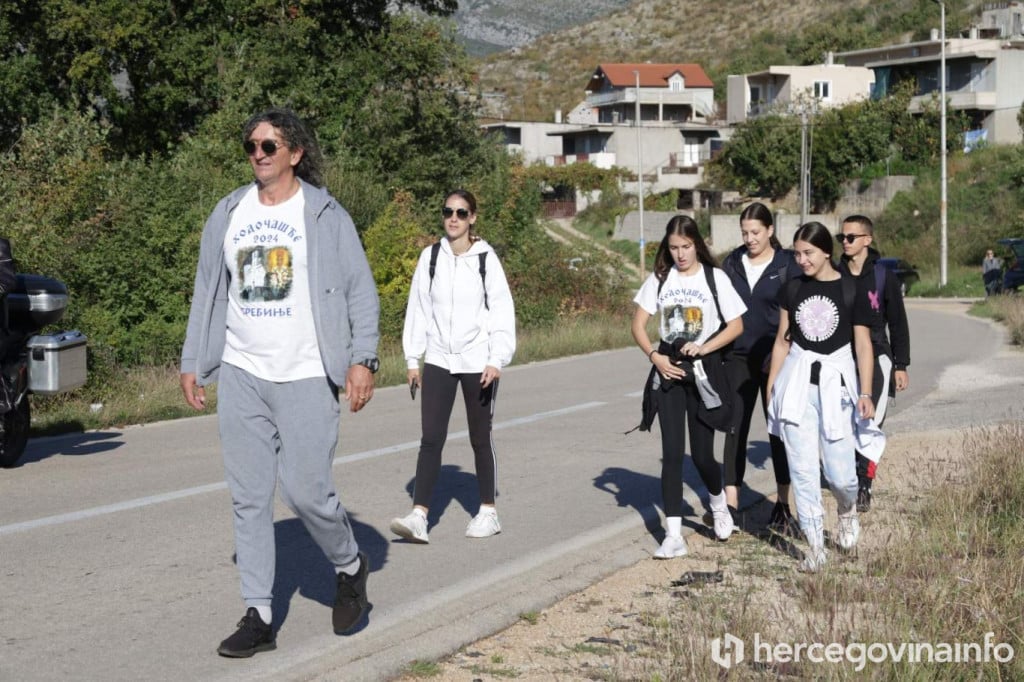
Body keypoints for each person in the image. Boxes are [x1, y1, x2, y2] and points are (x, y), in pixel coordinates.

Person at [179, 108, 380, 657]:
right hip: (244, 373)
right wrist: (193, 359)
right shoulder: (228, 212)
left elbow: (361, 289)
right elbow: (206, 291)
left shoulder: (325, 215)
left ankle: (349, 563)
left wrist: (363, 358)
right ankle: (259, 615)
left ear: (295, 153)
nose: (258, 153)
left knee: (306, 492)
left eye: (270, 145)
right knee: (248, 497)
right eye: (251, 145)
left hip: (308, 372)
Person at [390, 189, 516, 544]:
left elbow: (502, 310)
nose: (454, 218)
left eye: (461, 213)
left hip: (478, 360)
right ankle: (419, 517)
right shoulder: (430, 258)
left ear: (473, 217)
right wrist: (413, 359)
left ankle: (488, 511)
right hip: (439, 360)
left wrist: (496, 358)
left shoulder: (485, 259)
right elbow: (418, 309)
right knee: (431, 438)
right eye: (448, 211)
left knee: (479, 437)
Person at [767, 222, 884, 572]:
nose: (801, 260)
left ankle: (847, 511)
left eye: (808, 253)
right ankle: (815, 546)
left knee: (840, 475)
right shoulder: (791, 289)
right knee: (802, 469)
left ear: (826, 253)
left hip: (837, 385)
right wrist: (773, 387)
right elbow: (782, 342)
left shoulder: (851, 289)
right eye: (797, 254)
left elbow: (863, 345)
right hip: (798, 382)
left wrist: (866, 391)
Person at [632, 215, 746, 559]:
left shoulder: (716, 278)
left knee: (701, 455)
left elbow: (736, 325)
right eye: (673, 248)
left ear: (697, 244)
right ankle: (674, 536)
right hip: (668, 369)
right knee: (671, 454)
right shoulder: (660, 279)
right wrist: (655, 357)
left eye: (685, 247)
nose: (680, 254)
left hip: (704, 370)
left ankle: (718, 503)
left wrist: (705, 347)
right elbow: (638, 325)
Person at [720, 203, 801, 533]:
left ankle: (782, 504)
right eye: (744, 233)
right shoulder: (731, 263)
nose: (750, 238)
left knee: (778, 432)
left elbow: (798, 311)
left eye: (756, 232)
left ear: (770, 230)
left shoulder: (787, 265)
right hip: (737, 358)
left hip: (775, 358)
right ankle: (731, 506)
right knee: (733, 431)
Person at [836, 215, 910, 512]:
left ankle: (864, 483)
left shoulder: (883, 276)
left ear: (867, 239)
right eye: (842, 236)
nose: (845, 241)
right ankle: (848, 474)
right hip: (842, 356)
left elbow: (898, 323)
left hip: (878, 355)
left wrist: (901, 364)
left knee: (870, 422)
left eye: (851, 237)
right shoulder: (833, 273)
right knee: (842, 420)